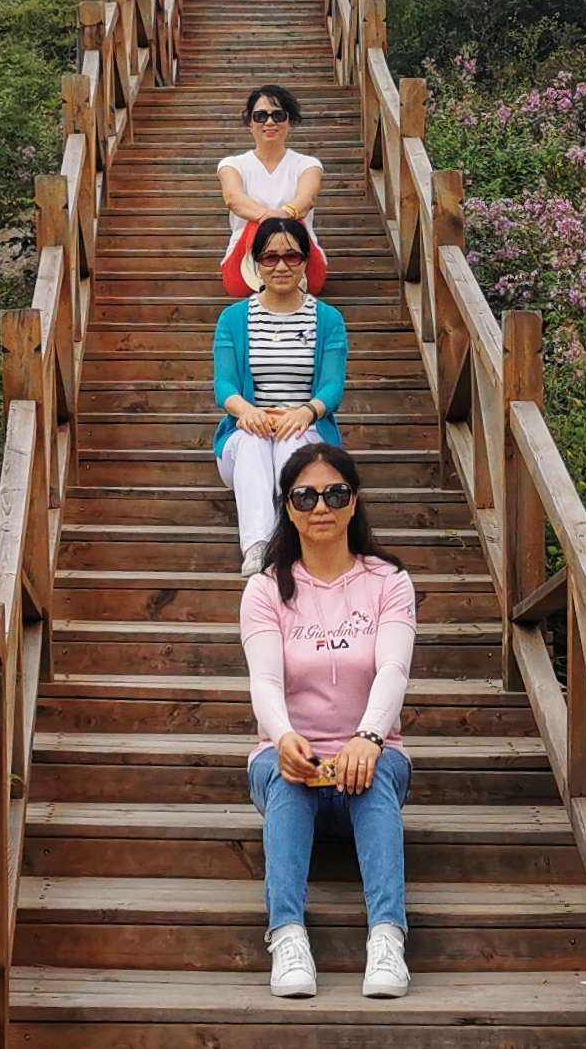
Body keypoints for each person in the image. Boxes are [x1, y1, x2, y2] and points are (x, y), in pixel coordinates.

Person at [240, 443, 416, 1000]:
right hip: (293, 755)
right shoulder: (266, 588)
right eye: (305, 495)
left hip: (371, 755)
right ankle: (288, 934)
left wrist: (367, 738)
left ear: (354, 501)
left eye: (335, 493)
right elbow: (264, 682)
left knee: (378, 770)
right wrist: (287, 738)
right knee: (284, 774)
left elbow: (393, 667)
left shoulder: (389, 580)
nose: (322, 506)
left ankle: (387, 936)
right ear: (288, 507)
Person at [213, 218, 347, 577]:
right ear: (256, 263)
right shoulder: (233, 319)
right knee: (254, 441)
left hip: (304, 426)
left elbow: (332, 387)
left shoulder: (329, 319)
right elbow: (224, 386)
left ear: (306, 261)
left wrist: (305, 412)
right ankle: (258, 546)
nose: (282, 266)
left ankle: (289, 543)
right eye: (270, 257)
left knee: (295, 447)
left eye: (292, 256)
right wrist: (248, 412)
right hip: (246, 433)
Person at [218, 85, 328, 296]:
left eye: (278, 115)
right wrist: (270, 218)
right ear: (250, 123)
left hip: (304, 270)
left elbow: (307, 198)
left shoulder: (307, 164)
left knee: (292, 220)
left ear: (289, 121)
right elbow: (234, 199)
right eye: (260, 116)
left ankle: (289, 281)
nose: (269, 122)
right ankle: (259, 279)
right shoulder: (232, 165)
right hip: (243, 270)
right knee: (258, 223)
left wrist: (285, 215)